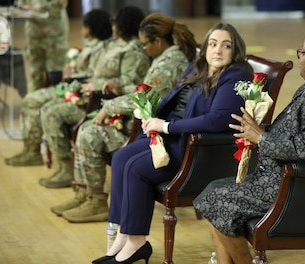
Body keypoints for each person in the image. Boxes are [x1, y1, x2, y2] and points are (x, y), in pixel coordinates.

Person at [91, 22, 252, 264]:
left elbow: (217, 120)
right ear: (205, 48)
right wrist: (151, 116)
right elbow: (175, 101)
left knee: (136, 169)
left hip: (194, 150)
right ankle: (123, 234)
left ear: (235, 50)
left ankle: (136, 243)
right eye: (213, 44)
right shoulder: (199, 67)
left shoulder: (236, 75)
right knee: (121, 158)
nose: (217, 51)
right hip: (172, 136)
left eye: (226, 46)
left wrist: (165, 126)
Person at [193, 24, 305, 264]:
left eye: (303, 53)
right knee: (213, 192)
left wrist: (261, 137)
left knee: (218, 200)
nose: (299, 58)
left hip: (301, 188)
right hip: (281, 180)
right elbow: (291, 132)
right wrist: (257, 130)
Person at [51, 13, 198, 223]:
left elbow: (147, 99)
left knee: (90, 133)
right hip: (145, 122)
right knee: (88, 129)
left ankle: (97, 201)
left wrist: (109, 106)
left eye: (145, 44)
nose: (144, 49)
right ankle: (85, 194)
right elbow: (146, 90)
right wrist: (122, 88)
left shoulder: (169, 64)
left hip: (148, 129)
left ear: (157, 40)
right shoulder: (166, 57)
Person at [39, 6, 151, 188]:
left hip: (104, 101)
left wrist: (97, 86)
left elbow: (129, 81)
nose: (113, 25)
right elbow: (97, 73)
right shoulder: (115, 44)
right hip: (94, 95)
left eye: (116, 21)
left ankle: (69, 172)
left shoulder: (134, 51)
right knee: (48, 109)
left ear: (123, 24)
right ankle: (64, 168)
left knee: (52, 114)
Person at [4, 8, 113, 167]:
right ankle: (31, 150)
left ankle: (37, 153)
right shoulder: (92, 46)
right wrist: (70, 73)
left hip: (79, 92)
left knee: (34, 101)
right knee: (31, 99)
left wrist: (72, 78)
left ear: (89, 28)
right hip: (72, 87)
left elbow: (94, 77)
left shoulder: (103, 50)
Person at [15, 0, 69, 92]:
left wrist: (36, 9)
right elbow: (19, 3)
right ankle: (35, 101)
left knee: (55, 74)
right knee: (35, 73)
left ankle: (54, 102)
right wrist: (22, 8)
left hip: (54, 34)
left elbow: (61, 3)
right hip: (34, 34)